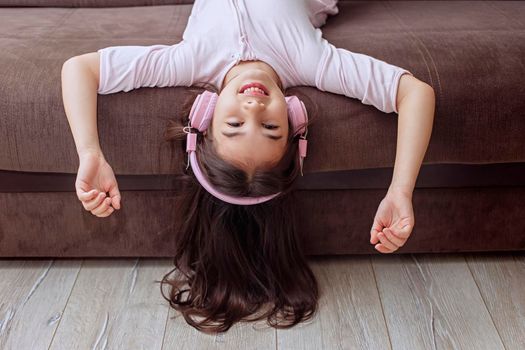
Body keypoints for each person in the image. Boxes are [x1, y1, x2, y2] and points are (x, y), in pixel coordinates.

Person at [61, 0, 435, 334]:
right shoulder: (310, 59)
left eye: (234, 126)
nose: (253, 111)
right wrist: (400, 190)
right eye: (272, 129)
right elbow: (415, 93)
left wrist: (90, 153)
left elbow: (79, 69)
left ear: (204, 118)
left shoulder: (190, 60)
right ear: (294, 120)